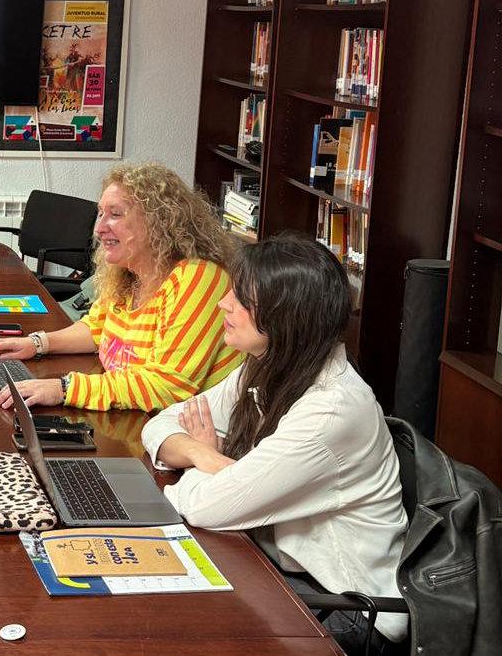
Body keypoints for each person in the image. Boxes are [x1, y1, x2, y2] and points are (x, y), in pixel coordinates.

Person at [141, 235, 407, 655]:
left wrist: (211, 473)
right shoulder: (267, 366)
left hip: (345, 610)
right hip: (278, 568)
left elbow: (208, 507)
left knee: (168, 626)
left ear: (287, 317)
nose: (223, 304)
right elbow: (161, 425)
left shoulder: (332, 411)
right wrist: (205, 455)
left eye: (241, 298)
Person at [0, 162, 242, 412]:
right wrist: (38, 343)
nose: (98, 229)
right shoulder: (126, 271)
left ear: (160, 221)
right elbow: (97, 328)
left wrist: (64, 389)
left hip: (189, 435)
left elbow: (168, 384)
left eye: (115, 214)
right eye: (100, 213)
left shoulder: (199, 278)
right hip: (136, 420)